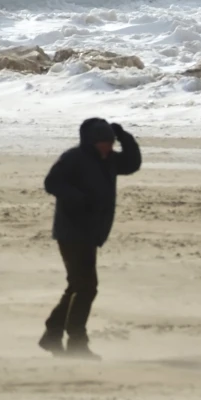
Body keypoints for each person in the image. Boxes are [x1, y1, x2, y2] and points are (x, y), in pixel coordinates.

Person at [40, 117, 142, 359]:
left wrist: (125, 137)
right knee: (86, 287)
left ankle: (52, 334)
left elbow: (132, 164)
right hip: (72, 231)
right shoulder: (74, 158)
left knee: (78, 285)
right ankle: (76, 342)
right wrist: (77, 199)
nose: (107, 147)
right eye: (102, 143)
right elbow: (52, 182)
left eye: (110, 142)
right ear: (91, 142)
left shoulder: (109, 161)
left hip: (91, 232)